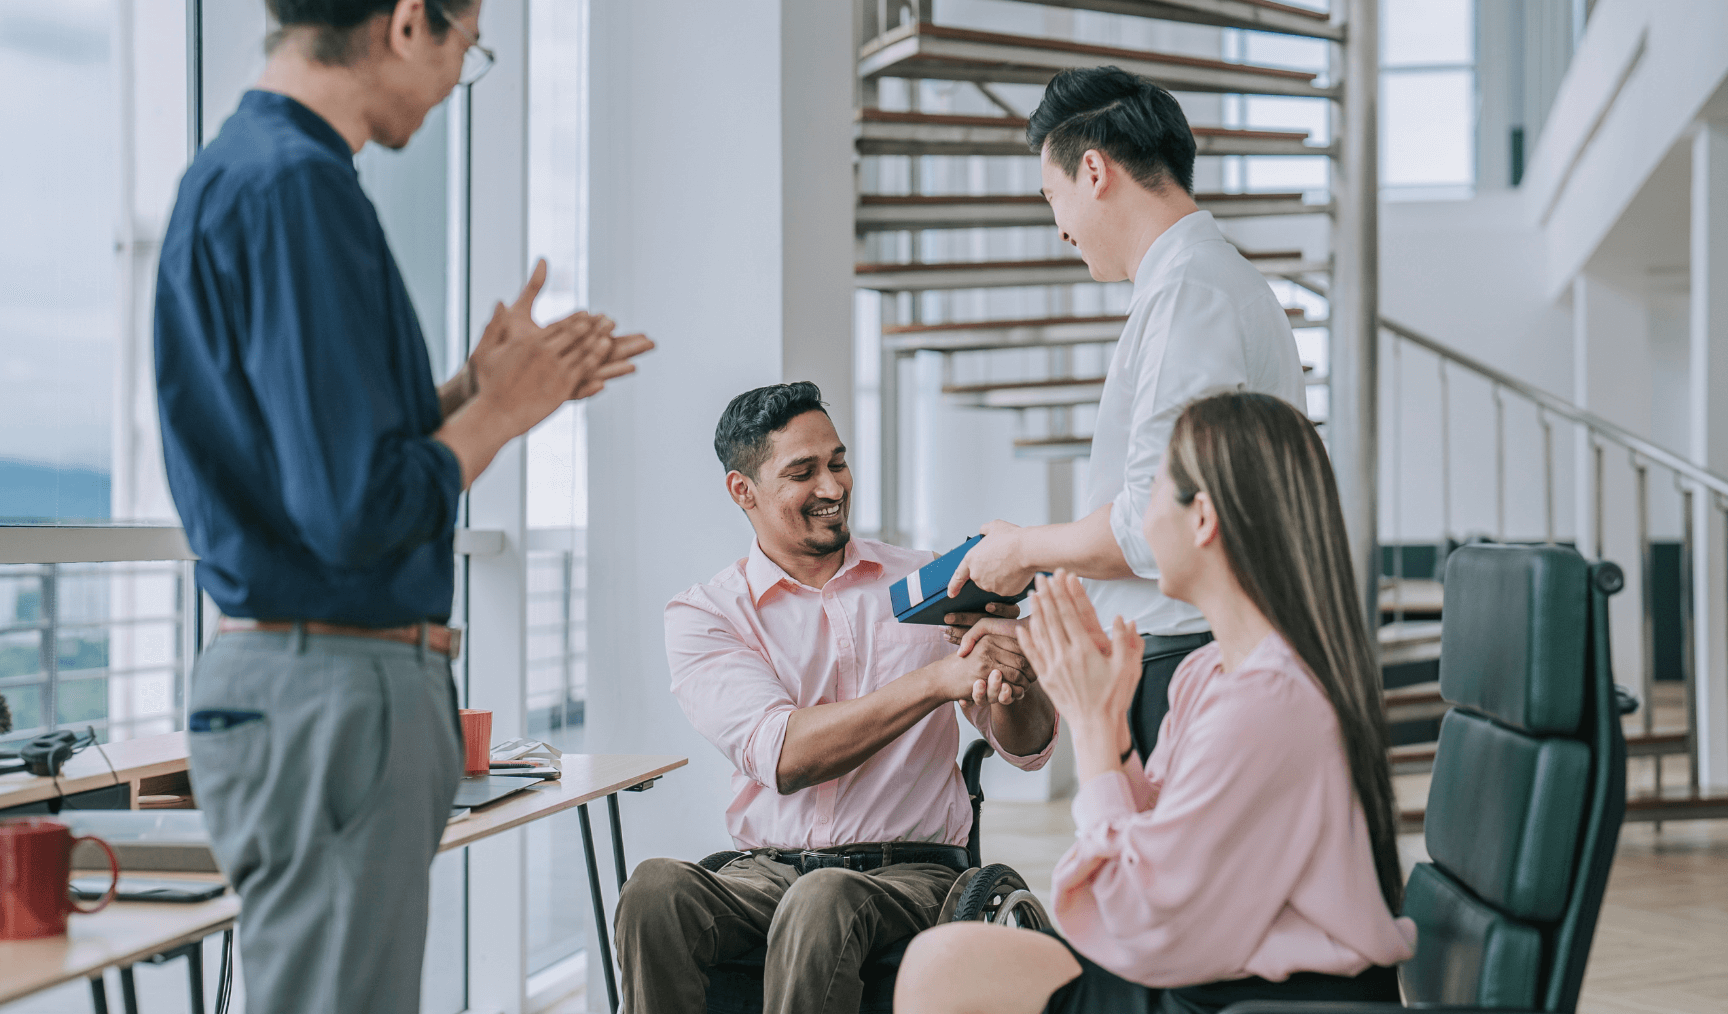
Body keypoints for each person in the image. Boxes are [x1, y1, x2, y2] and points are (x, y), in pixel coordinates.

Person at [154, 3, 652, 1012]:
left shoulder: (243, 171)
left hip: (294, 678)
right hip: (335, 687)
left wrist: (471, 391)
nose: (456, 77)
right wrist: (503, 415)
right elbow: (355, 508)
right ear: (412, 20)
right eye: (469, 49)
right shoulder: (299, 188)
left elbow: (313, 461)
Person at [895, 392, 1414, 1014]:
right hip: (1215, 965)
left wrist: (1089, 724)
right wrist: (1108, 716)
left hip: (1255, 994)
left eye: (1153, 493)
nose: (1134, 519)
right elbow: (1162, 834)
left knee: (943, 972)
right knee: (944, 962)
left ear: (1204, 519)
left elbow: (1137, 923)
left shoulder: (1266, 701)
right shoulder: (1210, 671)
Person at [614, 382, 1058, 1014]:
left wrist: (1011, 668)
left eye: (838, 462)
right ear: (744, 490)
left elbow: (1030, 746)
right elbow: (784, 757)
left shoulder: (927, 580)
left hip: (913, 874)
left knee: (822, 896)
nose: (832, 487)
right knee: (653, 889)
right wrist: (936, 681)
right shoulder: (706, 614)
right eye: (803, 472)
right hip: (764, 873)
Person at [945, 66, 1306, 760]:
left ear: (1093, 170)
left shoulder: (1188, 293)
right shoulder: (1200, 282)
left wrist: (1022, 551)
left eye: (1053, 196)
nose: (1060, 228)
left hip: (1182, 658)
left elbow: (1152, 527)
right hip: (1189, 649)